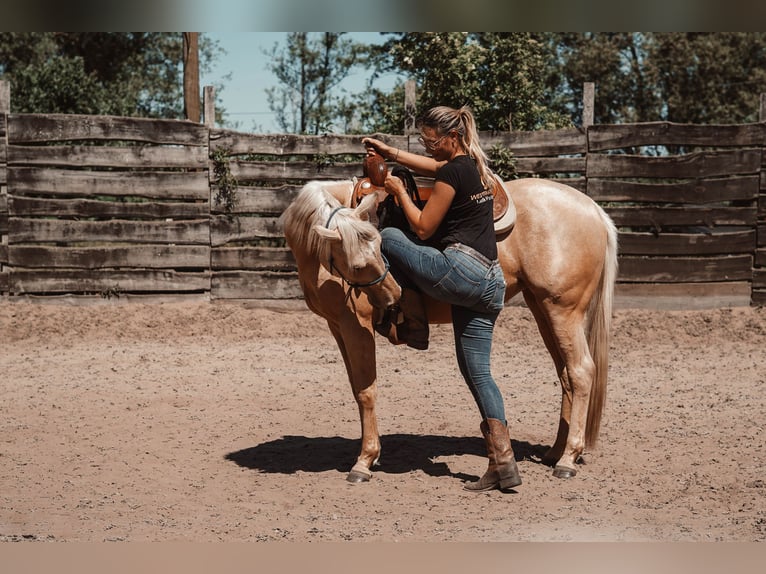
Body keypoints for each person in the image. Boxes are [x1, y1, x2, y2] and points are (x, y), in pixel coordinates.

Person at [362, 105, 521, 492]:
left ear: (451, 138)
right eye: (423, 143)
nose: (428, 149)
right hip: (490, 283)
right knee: (478, 373)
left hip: (461, 271)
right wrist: (392, 151)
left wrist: (398, 190)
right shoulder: (474, 166)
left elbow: (423, 225)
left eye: (431, 142)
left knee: (392, 236)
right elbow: (436, 169)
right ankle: (503, 463)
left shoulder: (452, 170)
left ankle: (406, 316)